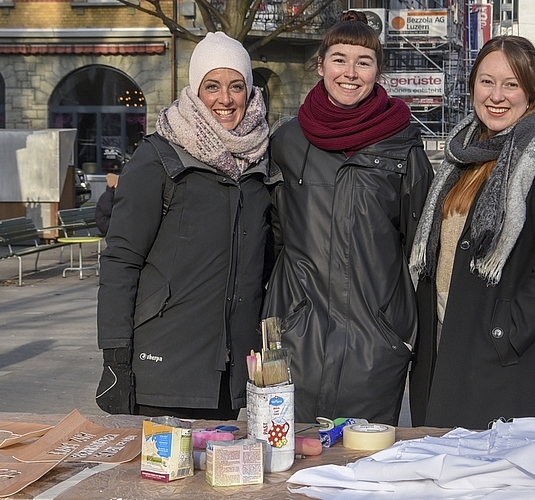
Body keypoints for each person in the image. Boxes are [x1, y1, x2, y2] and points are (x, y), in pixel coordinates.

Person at [262, 11, 434, 426]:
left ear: (378, 71)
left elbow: (421, 245)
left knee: (365, 470)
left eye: (364, 61)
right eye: (339, 59)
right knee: (289, 466)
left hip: (375, 340)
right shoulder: (287, 141)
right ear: (320, 65)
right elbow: (275, 235)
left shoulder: (404, 145)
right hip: (297, 337)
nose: (350, 73)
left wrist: (397, 330)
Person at [408, 35, 535, 430]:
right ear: (473, 86)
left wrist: (507, 331)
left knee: (490, 480)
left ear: (532, 92)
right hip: (444, 338)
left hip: (501, 351)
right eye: (487, 81)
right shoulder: (462, 155)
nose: (497, 95)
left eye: (511, 84)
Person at [96, 32, 271, 419]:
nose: (225, 99)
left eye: (236, 86)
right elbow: (121, 260)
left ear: (249, 92)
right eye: (212, 86)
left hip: (229, 374)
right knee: (162, 477)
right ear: (195, 90)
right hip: (164, 365)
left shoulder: (261, 161)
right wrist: (116, 355)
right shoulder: (158, 157)